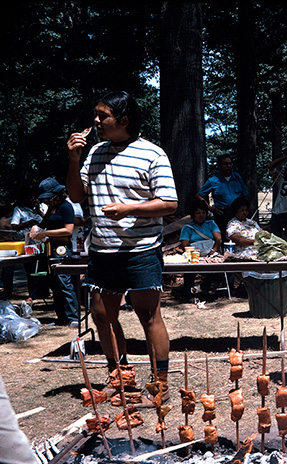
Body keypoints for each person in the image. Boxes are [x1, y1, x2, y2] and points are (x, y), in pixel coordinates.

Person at [66, 90, 178, 405]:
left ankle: (160, 384)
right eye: (96, 115)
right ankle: (121, 377)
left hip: (141, 250)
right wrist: (74, 160)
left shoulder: (152, 154)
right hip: (102, 250)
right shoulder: (96, 153)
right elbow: (77, 196)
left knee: (148, 315)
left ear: (124, 120)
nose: (96, 121)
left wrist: (129, 209)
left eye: (103, 116)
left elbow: (169, 203)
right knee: (101, 314)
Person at [29, 178, 79, 326]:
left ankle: (73, 317)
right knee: (55, 284)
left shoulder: (66, 207)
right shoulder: (51, 209)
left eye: (47, 198)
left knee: (65, 282)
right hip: (50, 249)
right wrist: (36, 227)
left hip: (62, 249)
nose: (45, 201)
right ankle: (61, 317)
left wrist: (46, 233)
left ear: (56, 195)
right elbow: (43, 223)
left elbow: (69, 230)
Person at [179, 199, 222, 297]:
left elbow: (218, 239)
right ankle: (188, 293)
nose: (201, 215)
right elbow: (185, 244)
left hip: (210, 252)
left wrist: (213, 251)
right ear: (193, 214)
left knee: (215, 267)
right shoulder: (187, 227)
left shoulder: (211, 224)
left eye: (203, 213)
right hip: (194, 254)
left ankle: (203, 289)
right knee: (189, 268)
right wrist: (195, 255)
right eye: (198, 213)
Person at [197, 154, 248, 235]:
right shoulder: (213, 181)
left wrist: (244, 210)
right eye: (225, 164)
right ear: (219, 166)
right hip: (222, 214)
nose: (228, 166)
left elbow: (245, 194)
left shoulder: (237, 177)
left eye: (230, 164)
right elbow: (199, 195)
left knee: (241, 235)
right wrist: (209, 208)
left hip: (238, 213)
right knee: (224, 237)